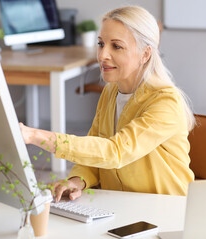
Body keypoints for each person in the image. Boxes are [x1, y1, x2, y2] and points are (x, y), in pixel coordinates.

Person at [20, 6, 195, 202]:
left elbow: (115, 151)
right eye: (101, 44)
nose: (103, 55)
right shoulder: (111, 91)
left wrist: (35, 136)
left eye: (116, 46)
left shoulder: (165, 102)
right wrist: (78, 180)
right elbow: (96, 149)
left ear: (145, 54)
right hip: (121, 205)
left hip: (166, 211)